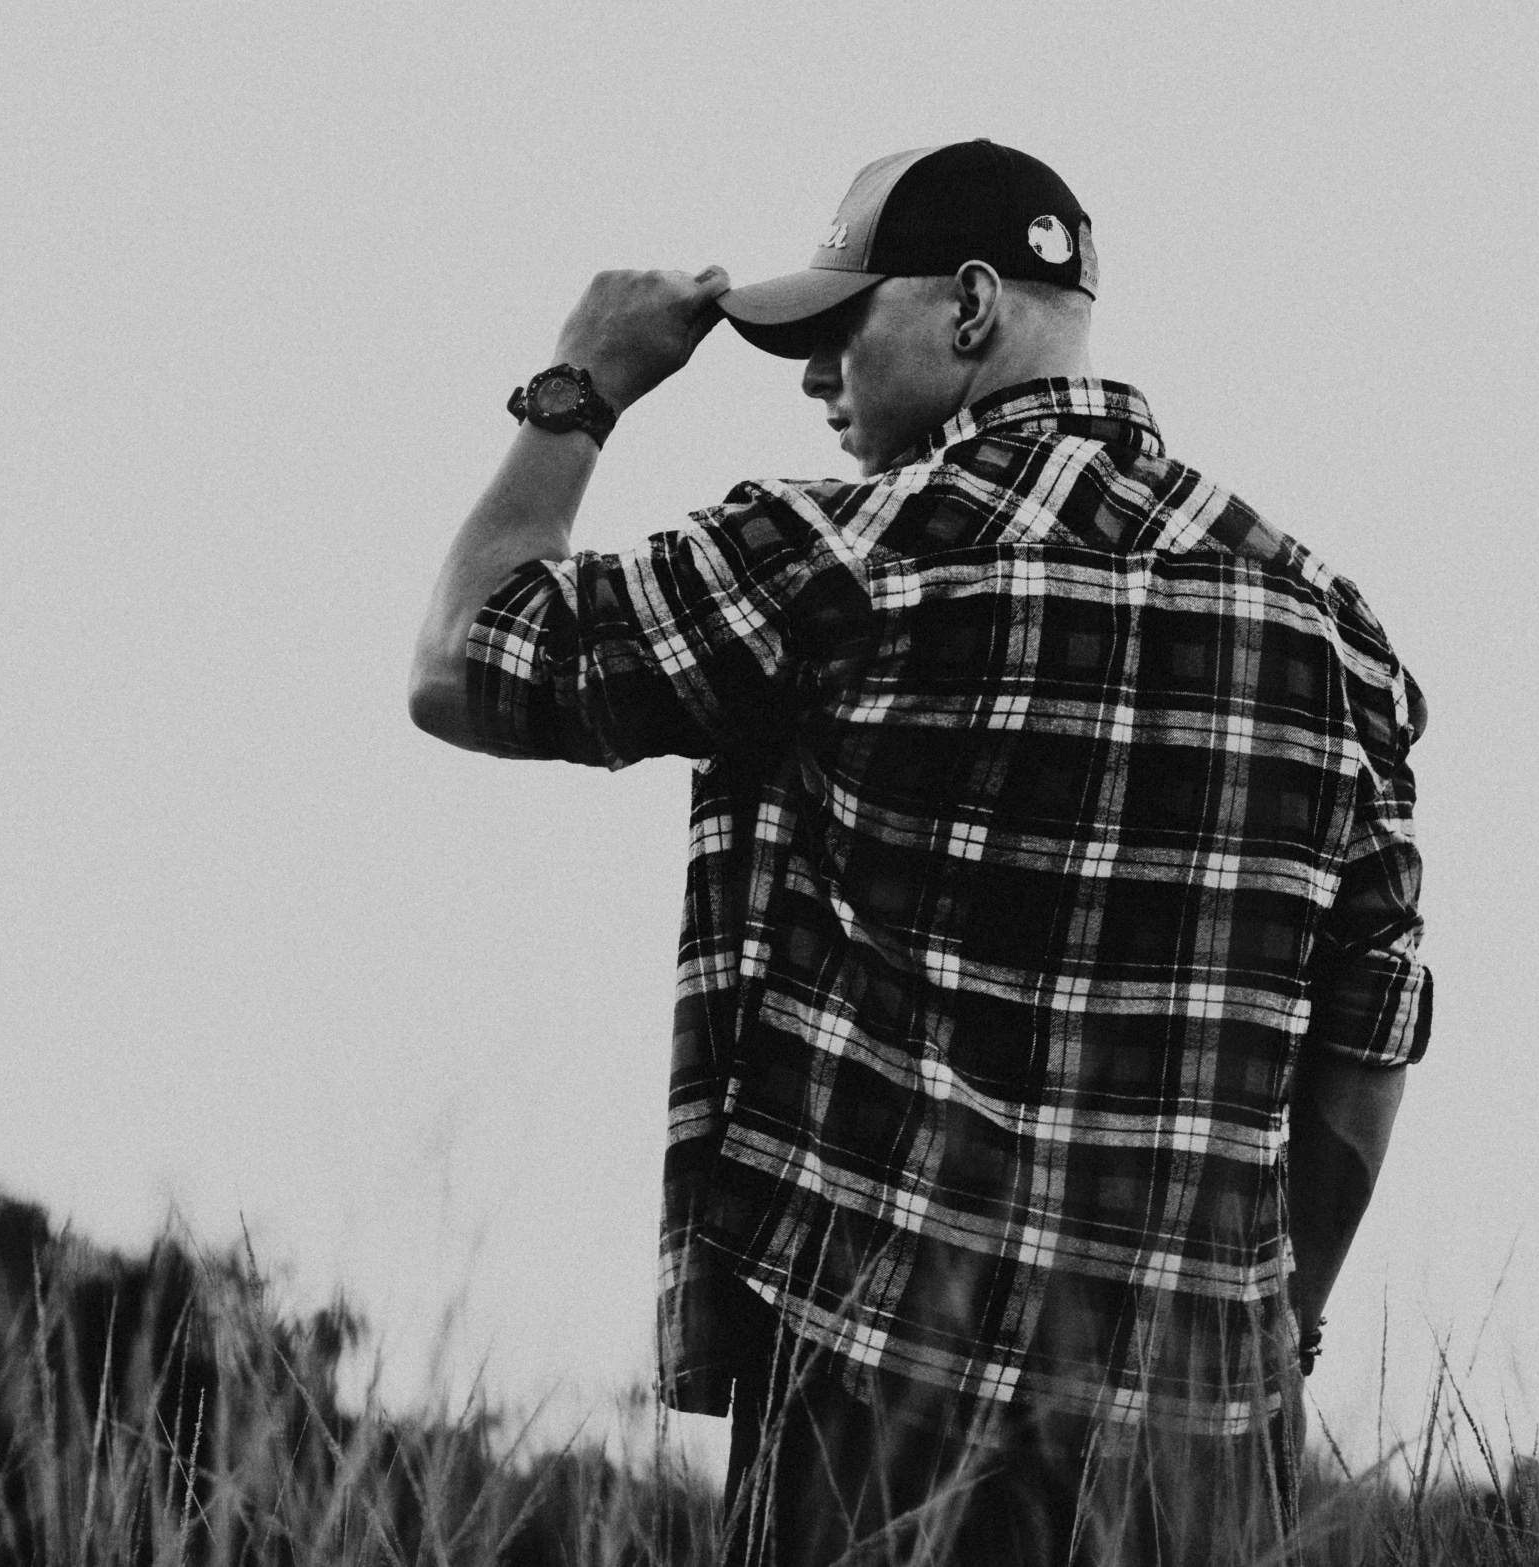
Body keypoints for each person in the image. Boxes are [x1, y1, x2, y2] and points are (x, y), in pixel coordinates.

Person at [409, 140, 1429, 1565]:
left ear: (965, 307)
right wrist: (1270, 1329)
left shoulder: (843, 558)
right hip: (1195, 1444)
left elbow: (464, 665)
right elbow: (1365, 1033)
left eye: (837, 330)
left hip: (874, 1411)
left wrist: (578, 389)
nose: (813, 376)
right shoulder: (1329, 627)